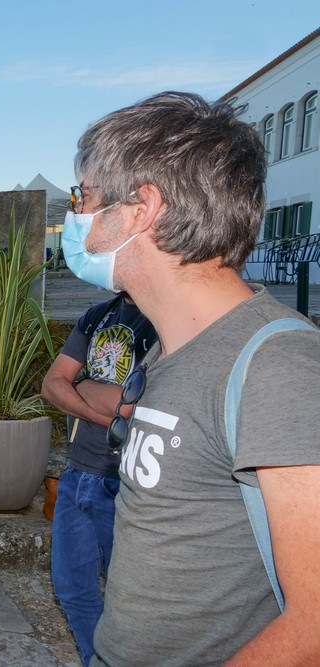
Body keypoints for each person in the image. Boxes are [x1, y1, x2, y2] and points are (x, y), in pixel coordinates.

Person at [66, 92, 320, 665]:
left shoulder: (278, 365)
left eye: (85, 197)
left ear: (142, 209)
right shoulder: (167, 350)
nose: (77, 217)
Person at [41, 293, 157, 665]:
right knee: (72, 590)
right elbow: (52, 384)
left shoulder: (164, 317)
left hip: (127, 482)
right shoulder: (99, 314)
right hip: (78, 473)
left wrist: (83, 385)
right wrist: (106, 417)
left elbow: (143, 405)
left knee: (133, 601)